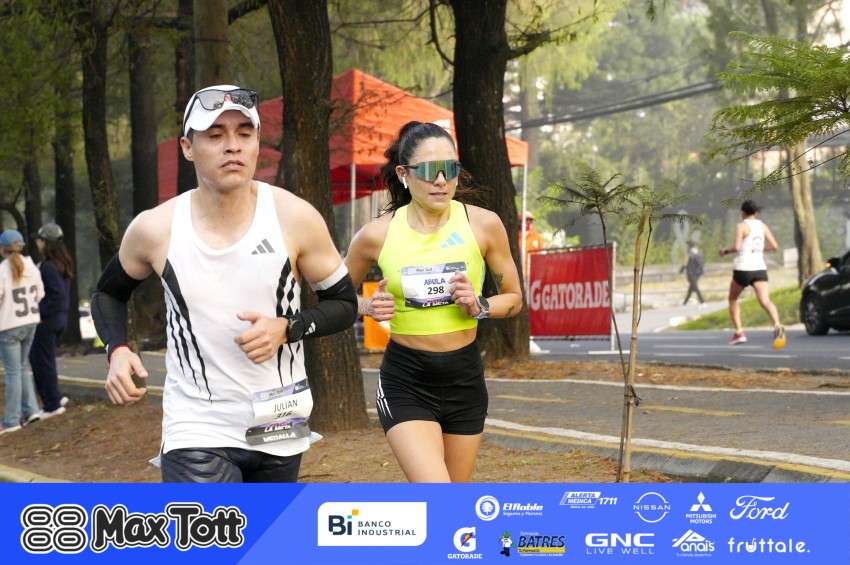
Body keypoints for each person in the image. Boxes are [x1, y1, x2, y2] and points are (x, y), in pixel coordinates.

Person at [91, 85, 358, 482]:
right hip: (196, 424)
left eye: (244, 133)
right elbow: (108, 292)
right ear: (188, 148)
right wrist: (117, 349)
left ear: (257, 144)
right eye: (215, 135)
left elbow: (344, 304)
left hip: (279, 418)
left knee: (264, 527)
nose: (232, 145)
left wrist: (287, 327)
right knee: (209, 524)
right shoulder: (155, 228)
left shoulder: (295, 217)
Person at [344, 121, 522, 482]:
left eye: (450, 169)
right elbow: (335, 294)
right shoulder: (375, 235)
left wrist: (481, 305)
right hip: (406, 381)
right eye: (428, 170)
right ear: (404, 174)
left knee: (451, 506)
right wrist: (366, 307)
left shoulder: (484, 225)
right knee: (436, 493)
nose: (441, 180)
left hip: (465, 379)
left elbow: (515, 299)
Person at [719, 200, 786, 349]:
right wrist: (760, 250)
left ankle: (739, 333)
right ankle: (777, 326)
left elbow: (737, 247)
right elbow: (774, 246)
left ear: (742, 212)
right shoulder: (762, 226)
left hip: (743, 268)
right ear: (755, 212)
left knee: (732, 299)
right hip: (759, 268)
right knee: (766, 301)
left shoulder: (741, 226)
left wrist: (725, 251)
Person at [0, 230, 44, 435]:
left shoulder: (2, 270)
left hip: (9, 326)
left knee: (13, 372)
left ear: (2, 249)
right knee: (22, 367)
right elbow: (40, 294)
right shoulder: (31, 266)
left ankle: (11, 420)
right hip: (30, 322)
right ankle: (32, 410)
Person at [30, 223, 73, 419]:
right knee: (47, 361)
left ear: (47, 243)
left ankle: (51, 405)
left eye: (40, 240)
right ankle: (55, 398)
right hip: (59, 320)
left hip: (47, 322)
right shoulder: (62, 264)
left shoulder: (48, 267)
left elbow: (57, 295)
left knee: (40, 362)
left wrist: (38, 314)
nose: (37, 243)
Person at [518, 210, 543, 279]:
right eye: (528, 220)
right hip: (518, 272)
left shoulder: (536, 236)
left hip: (533, 272)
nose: (530, 222)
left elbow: (541, 254)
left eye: (531, 220)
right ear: (520, 221)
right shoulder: (515, 235)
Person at [681, 240, 705, 306]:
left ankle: (702, 301)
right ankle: (685, 303)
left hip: (691, 272)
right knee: (691, 288)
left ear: (689, 246)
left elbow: (685, 263)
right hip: (698, 272)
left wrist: (681, 270)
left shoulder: (689, 253)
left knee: (695, 288)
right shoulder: (698, 252)